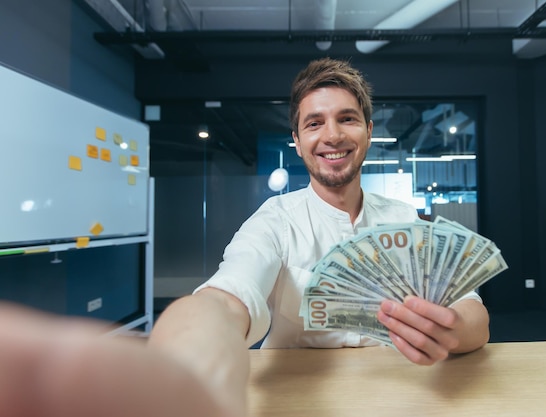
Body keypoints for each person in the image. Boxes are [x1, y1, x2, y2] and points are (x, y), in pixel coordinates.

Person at [0, 57, 489, 417]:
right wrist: (185, 373)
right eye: (314, 123)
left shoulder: (405, 217)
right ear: (297, 142)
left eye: (347, 118)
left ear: (367, 130)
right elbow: (227, 299)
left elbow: (474, 314)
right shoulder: (274, 220)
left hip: (404, 399)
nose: (332, 135)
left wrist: (451, 327)